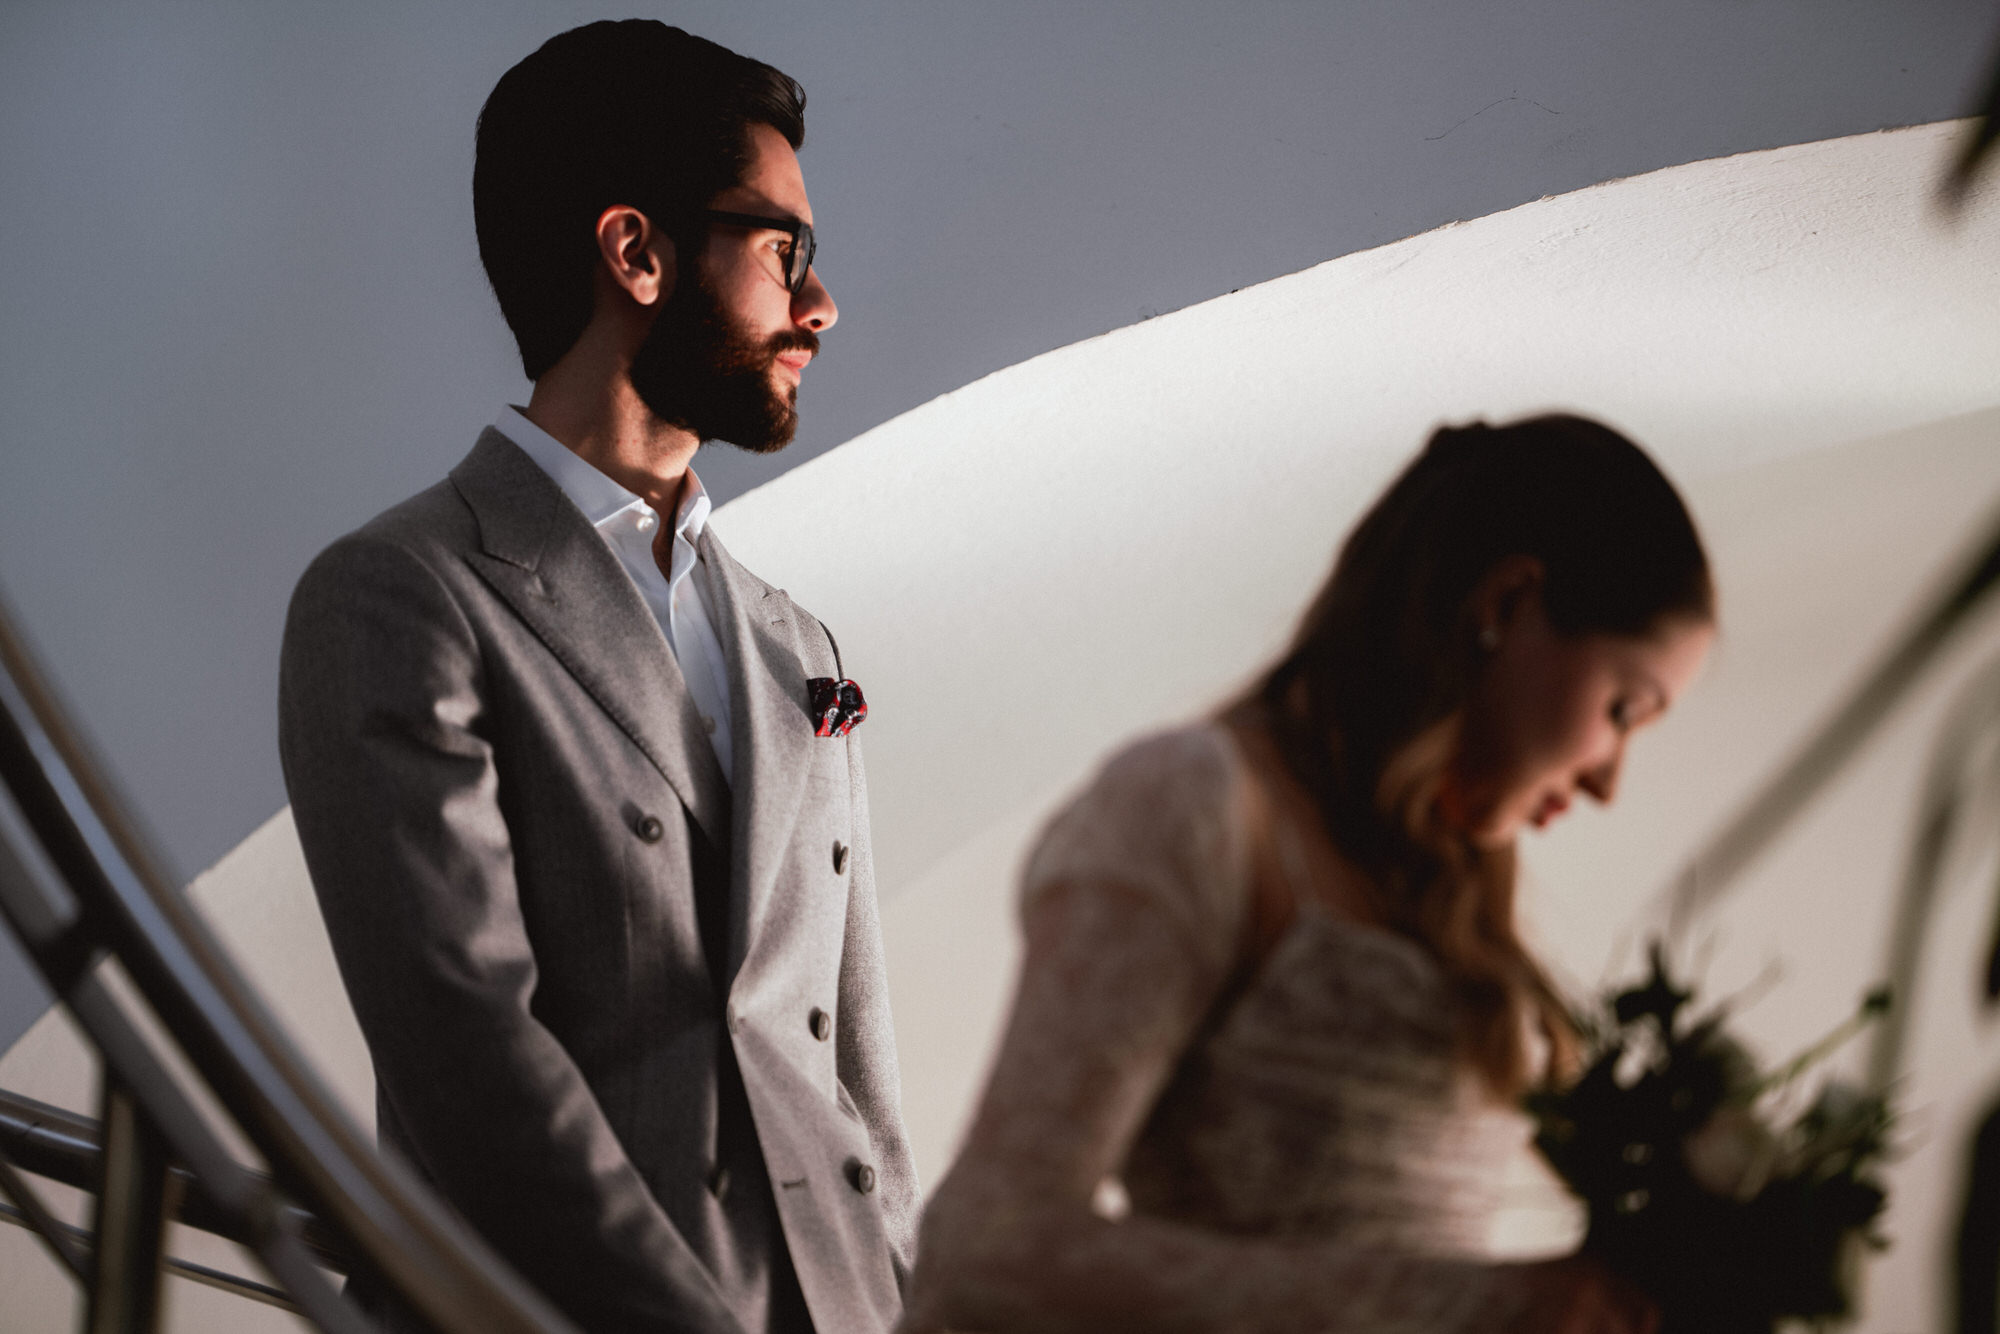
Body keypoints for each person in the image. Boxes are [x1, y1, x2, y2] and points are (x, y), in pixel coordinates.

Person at [278, 21, 914, 1334]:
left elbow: (857, 1083)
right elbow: (474, 1070)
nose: (822, 302)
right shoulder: (401, 594)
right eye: (784, 248)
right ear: (636, 252)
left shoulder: (801, 646)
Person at [901, 415, 1715, 1334]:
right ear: (1507, 602)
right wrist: (1473, 1307)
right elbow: (985, 1250)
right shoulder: (1194, 801)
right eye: (1623, 708)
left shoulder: (1458, 887)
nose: (1611, 780)